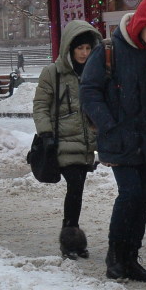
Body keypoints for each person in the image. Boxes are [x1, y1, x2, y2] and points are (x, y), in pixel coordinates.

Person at [79, 0, 146, 282]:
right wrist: (109, 125)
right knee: (130, 193)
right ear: (140, 26)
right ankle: (115, 256)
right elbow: (89, 91)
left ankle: (132, 258)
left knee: (144, 197)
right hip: (119, 138)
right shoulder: (108, 50)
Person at [34, 19, 100, 258]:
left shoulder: (96, 71)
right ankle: (70, 238)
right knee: (75, 187)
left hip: (86, 143)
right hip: (61, 141)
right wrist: (46, 133)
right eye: (79, 48)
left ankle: (69, 234)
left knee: (77, 189)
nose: (83, 53)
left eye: (87, 48)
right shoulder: (53, 73)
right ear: (70, 48)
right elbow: (41, 105)